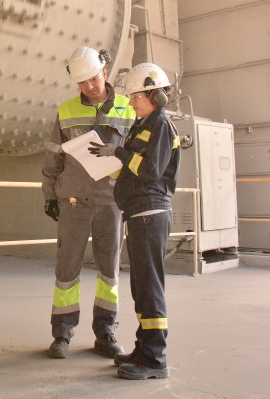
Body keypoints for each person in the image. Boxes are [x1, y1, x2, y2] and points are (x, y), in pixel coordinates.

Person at [41, 46, 137, 360]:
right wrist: (49, 195)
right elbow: (54, 155)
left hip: (112, 201)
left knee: (109, 270)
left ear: (104, 74)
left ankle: (106, 333)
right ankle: (62, 335)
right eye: (82, 83)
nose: (89, 87)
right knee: (66, 269)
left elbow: (139, 156)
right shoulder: (66, 110)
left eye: (93, 79)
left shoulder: (127, 108)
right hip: (73, 201)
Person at [88, 62, 181, 380]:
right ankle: (144, 350)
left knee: (150, 288)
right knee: (141, 286)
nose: (130, 101)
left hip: (150, 215)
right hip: (139, 214)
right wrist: (112, 158)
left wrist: (120, 154)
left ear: (156, 95)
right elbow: (137, 167)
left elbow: (151, 170)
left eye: (136, 96)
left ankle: (155, 360)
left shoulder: (160, 126)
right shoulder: (143, 126)